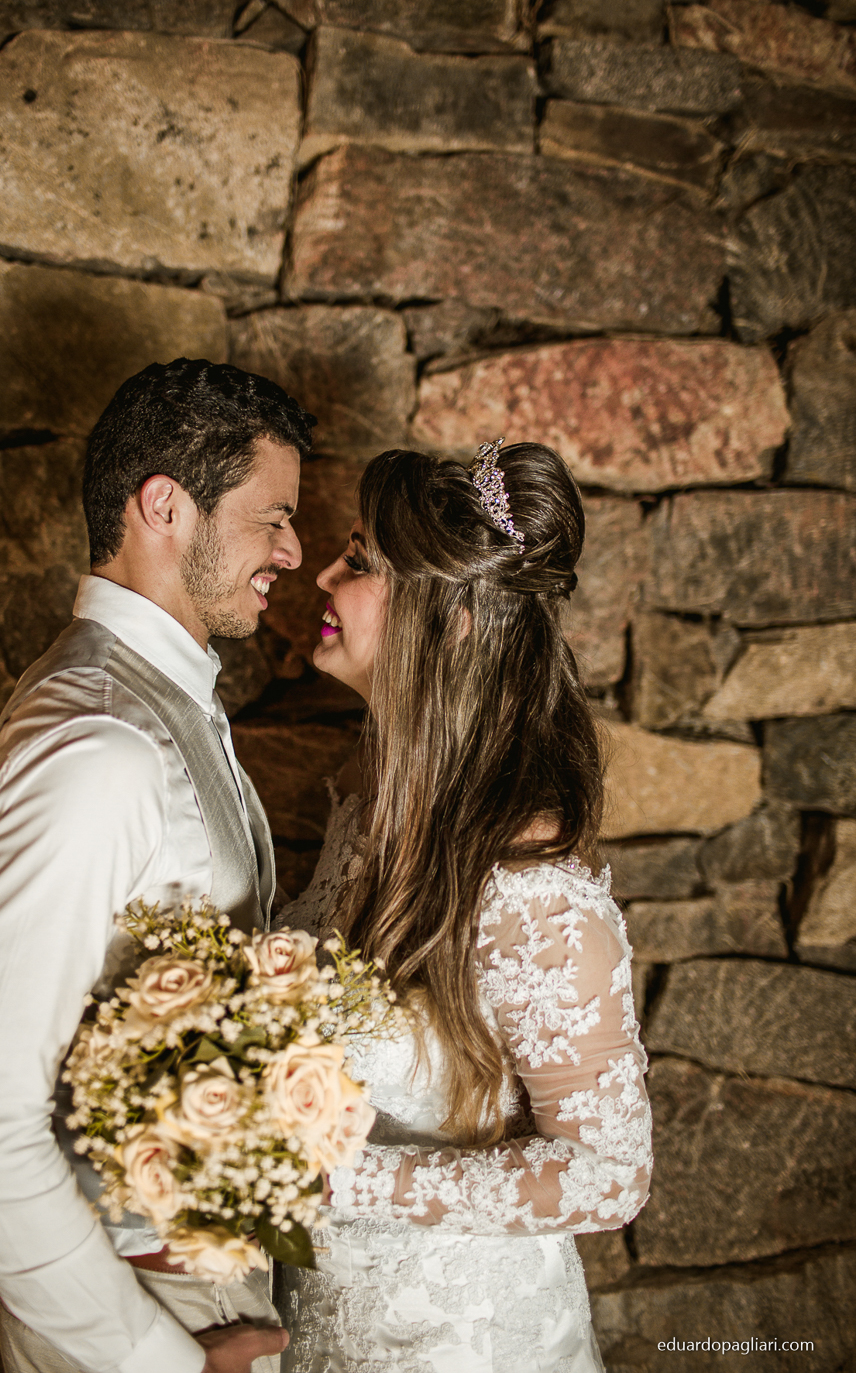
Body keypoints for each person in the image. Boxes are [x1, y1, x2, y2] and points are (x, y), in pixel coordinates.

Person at [0, 360, 315, 1373]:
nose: (293, 549)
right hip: (139, 1309)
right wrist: (156, 1358)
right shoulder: (101, 747)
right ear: (165, 506)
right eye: (273, 517)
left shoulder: (157, 702)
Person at [276, 440, 652, 1373]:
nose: (323, 573)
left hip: (461, 1342)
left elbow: (608, 1174)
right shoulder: (368, 806)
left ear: (450, 625)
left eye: (360, 562)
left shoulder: (533, 894)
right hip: (316, 1326)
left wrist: (340, 1177)